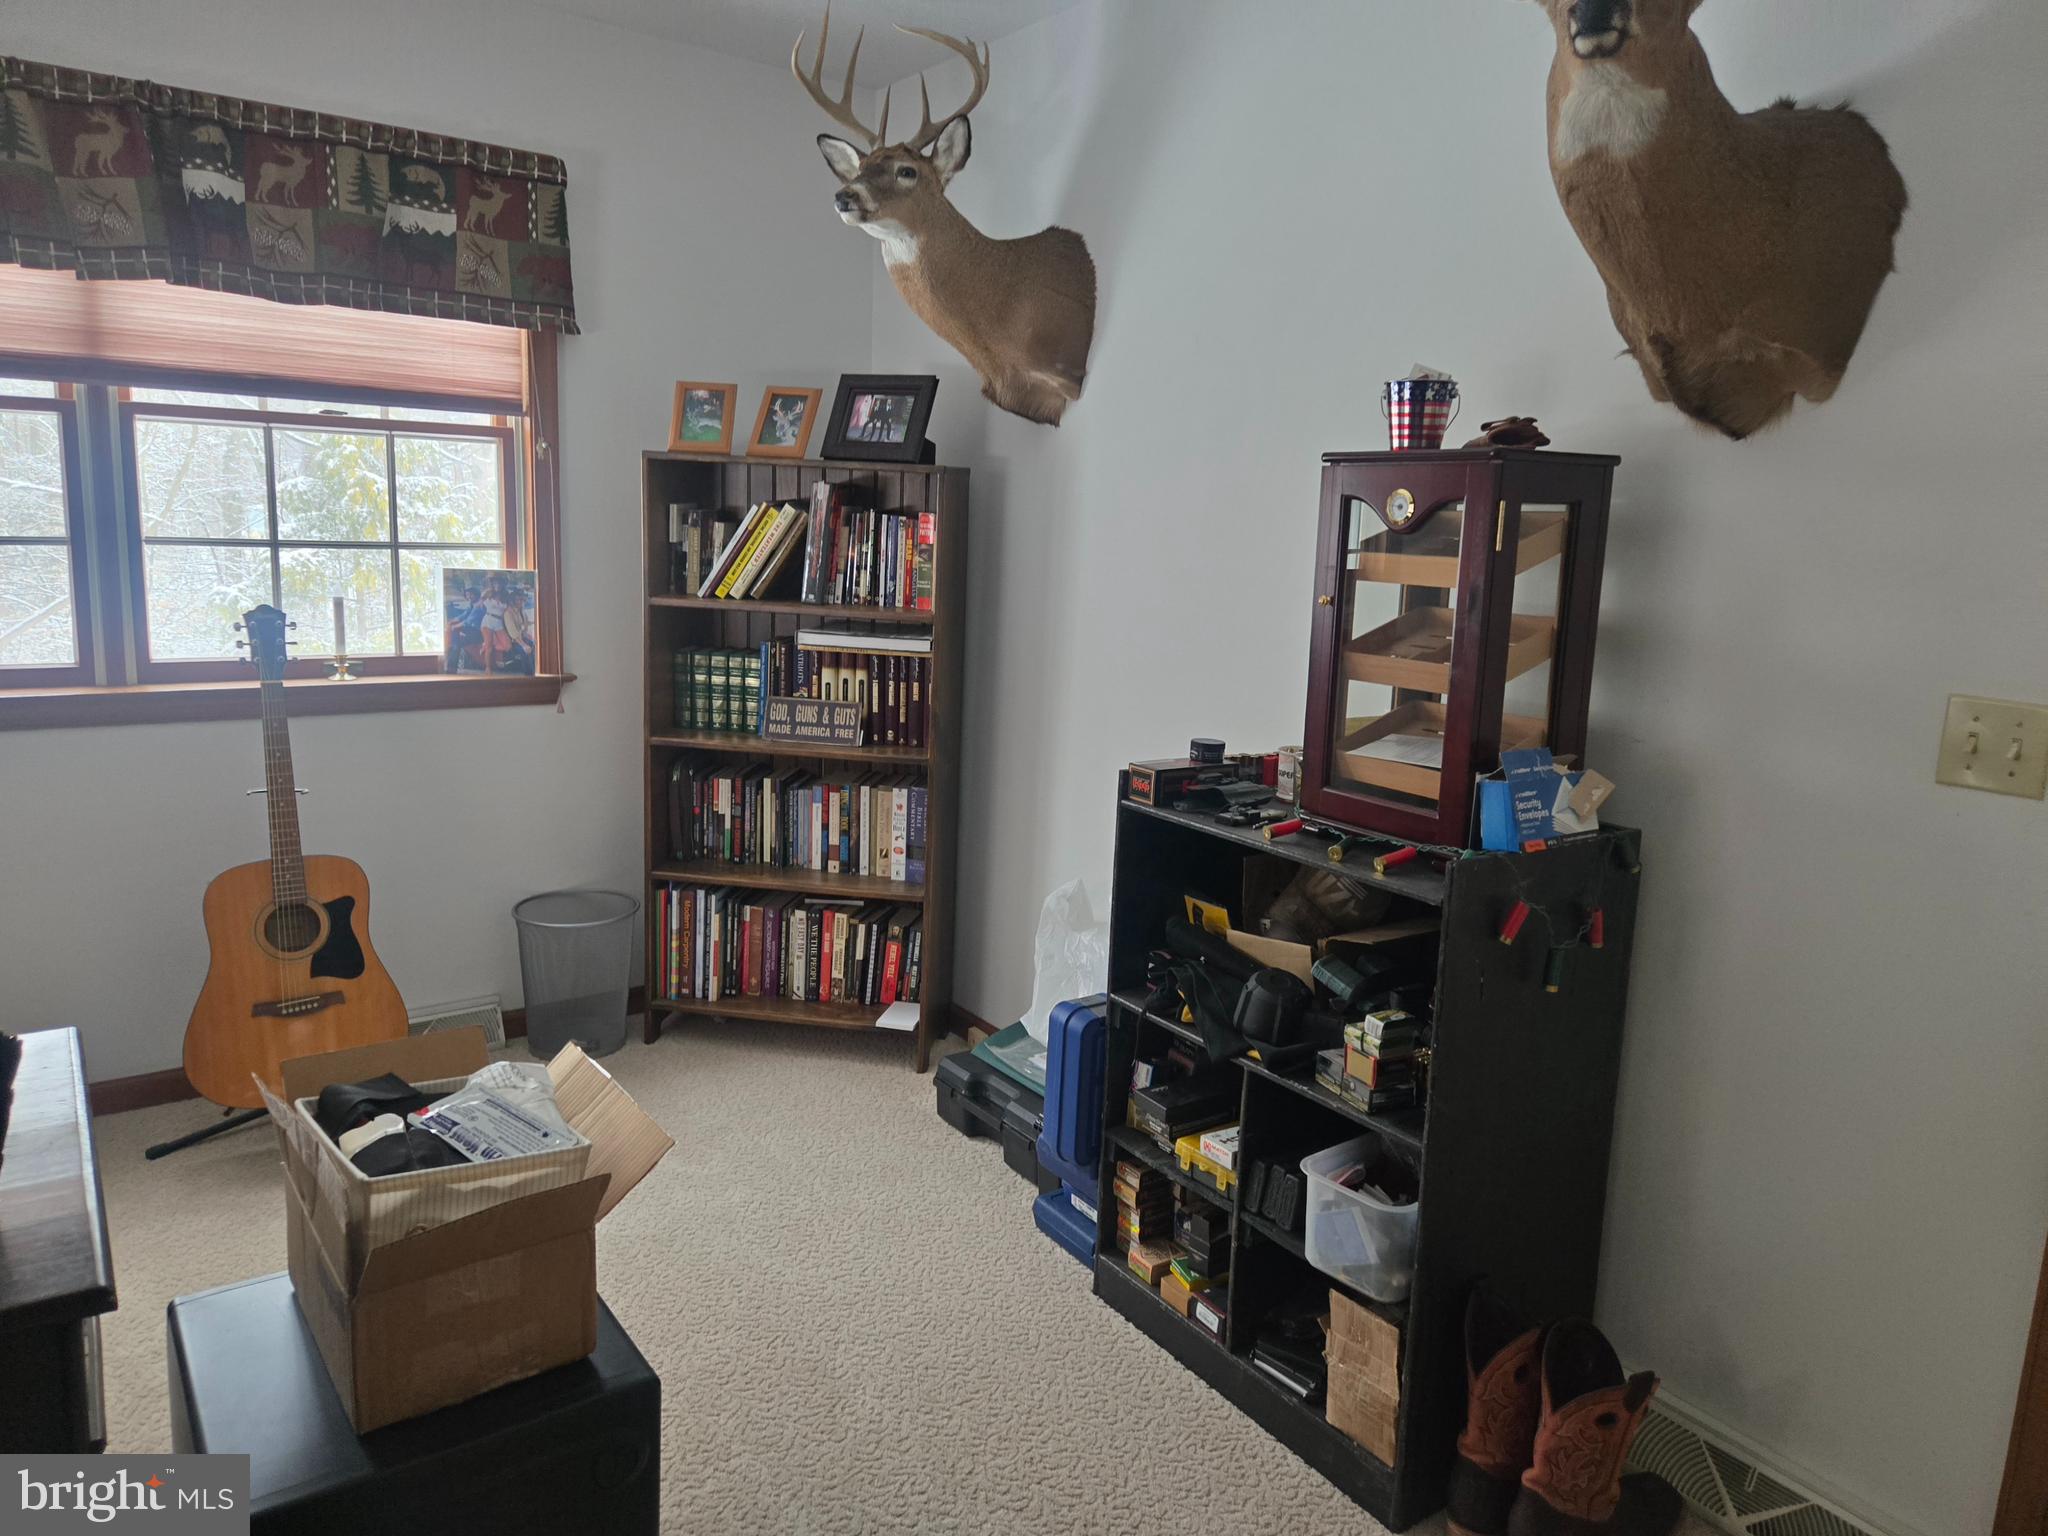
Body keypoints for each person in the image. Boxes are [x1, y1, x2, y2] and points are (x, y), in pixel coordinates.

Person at [444, 583, 485, 671]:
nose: (469, 596)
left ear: (476, 595)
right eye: (468, 594)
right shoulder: (472, 605)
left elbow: (468, 621)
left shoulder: (479, 607)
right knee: (453, 635)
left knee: (455, 639)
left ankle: (451, 666)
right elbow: (463, 615)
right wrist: (452, 621)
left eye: (471, 594)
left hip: (478, 633)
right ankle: (451, 659)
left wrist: (455, 626)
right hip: (471, 630)